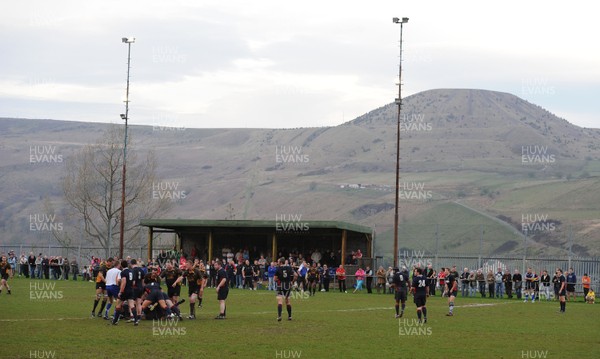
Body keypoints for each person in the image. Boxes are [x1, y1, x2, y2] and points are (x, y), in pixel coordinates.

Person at [112, 260, 137, 325]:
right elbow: (134, 282)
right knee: (132, 305)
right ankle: (136, 320)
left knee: (118, 305)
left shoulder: (123, 272)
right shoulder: (131, 271)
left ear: (121, 265)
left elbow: (124, 282)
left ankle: (115, 321)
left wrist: (121, 291)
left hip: (125, 290)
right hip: (131, 290)